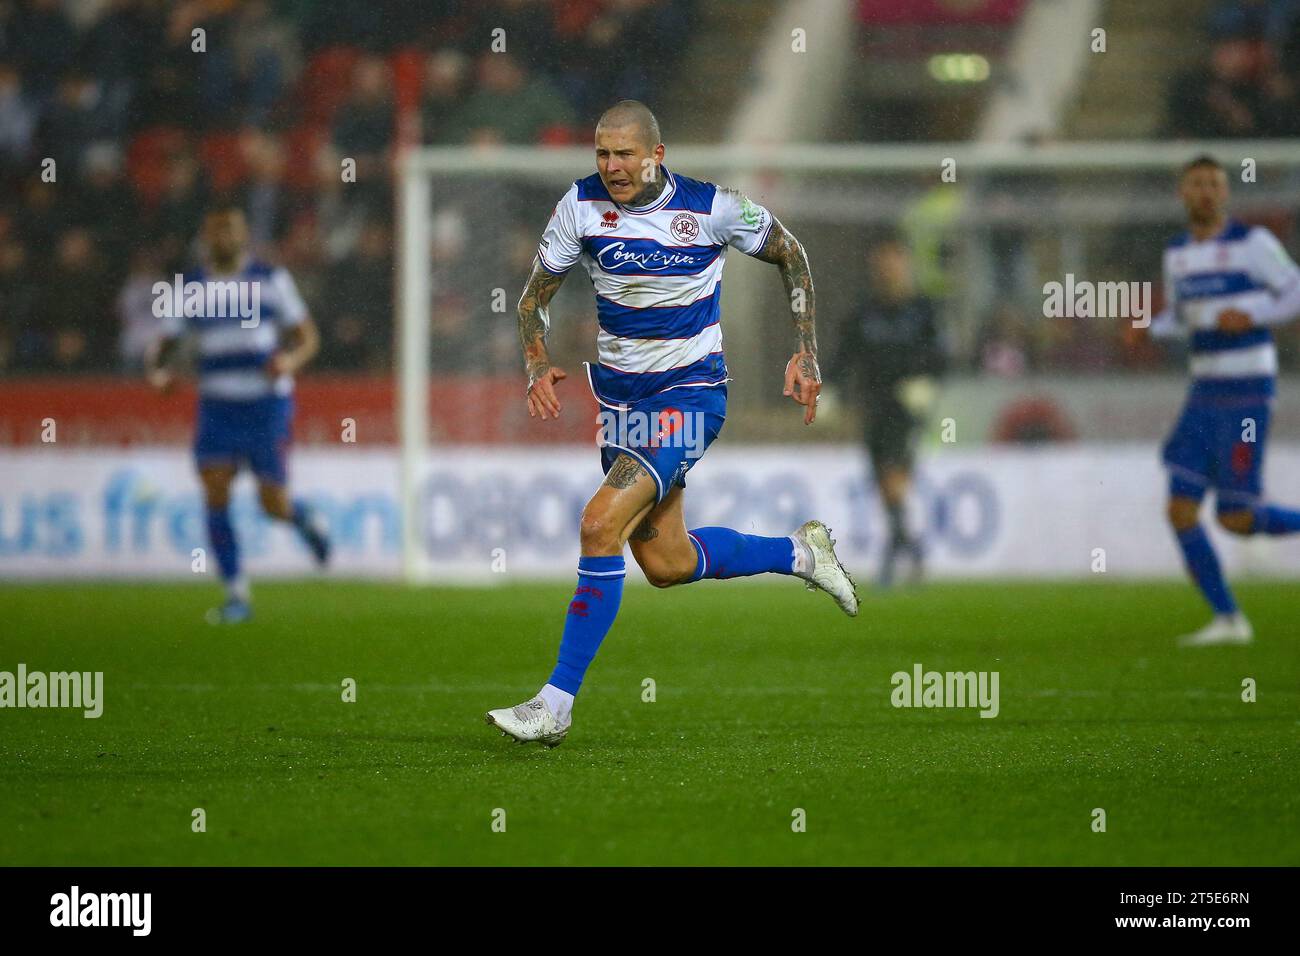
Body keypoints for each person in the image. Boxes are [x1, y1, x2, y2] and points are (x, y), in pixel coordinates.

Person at [485, 100, 858, 747]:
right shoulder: (579, 208)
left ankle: (554, 704)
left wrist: (805, 349)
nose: (611, 166)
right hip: (622, 407)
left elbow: (790, 253)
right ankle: (801, 553)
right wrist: (536, 361)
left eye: (624, 153)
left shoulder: (710, 208)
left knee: (598, 524)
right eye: (602, 153)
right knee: (666, 562)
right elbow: (533, 298)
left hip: (691, 397)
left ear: (656, 154)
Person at [146, 204, 330, 623]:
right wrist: (157, 373)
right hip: (217, 406)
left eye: (229, 228)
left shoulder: (270, 279)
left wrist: (289, 361)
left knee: (272, 504)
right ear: (205, 236)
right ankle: (236, 594)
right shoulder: (190, 287)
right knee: (215, 490)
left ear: (244, 234)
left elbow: (308, 338)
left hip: (265, 403)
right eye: (215, 229)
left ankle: (305, 520)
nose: (222, 236)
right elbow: (163, 345)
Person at [1145, 155, 1300, 645]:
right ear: (1182, 193)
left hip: (1247, 391)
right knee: (1180, 510)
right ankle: (1229, 620)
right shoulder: (1177, 254)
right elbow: (1180, 315)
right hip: (1202, 391)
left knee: (1236, 517)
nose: (1206, 192)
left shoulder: (1252, 244)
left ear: (1226, 193)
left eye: (1214, 183)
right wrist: (1150, 327)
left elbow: (1295, 290)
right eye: (1196, 184)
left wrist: (1253, 312)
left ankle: (1231, 619)